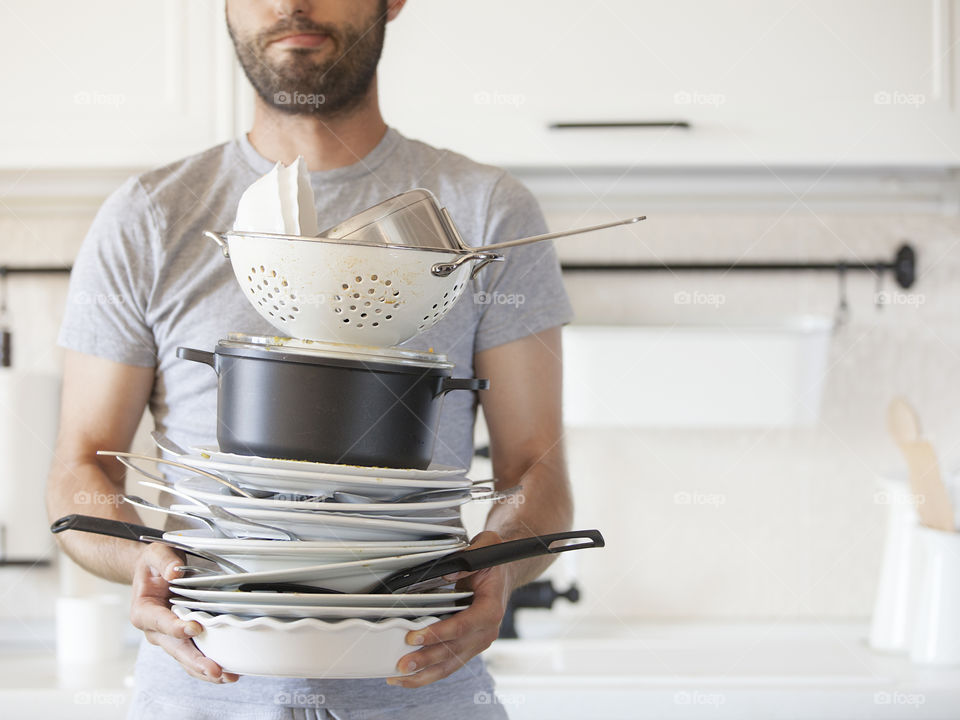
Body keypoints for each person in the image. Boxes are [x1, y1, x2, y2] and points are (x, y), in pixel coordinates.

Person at [46, 1, 574, 718]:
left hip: (421, 688)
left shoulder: (486, 214)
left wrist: (501, 575)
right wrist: (141, 557)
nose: (293, 3)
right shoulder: (149, 217)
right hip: (201, 693)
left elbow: (536, 469)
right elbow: (80, 470)